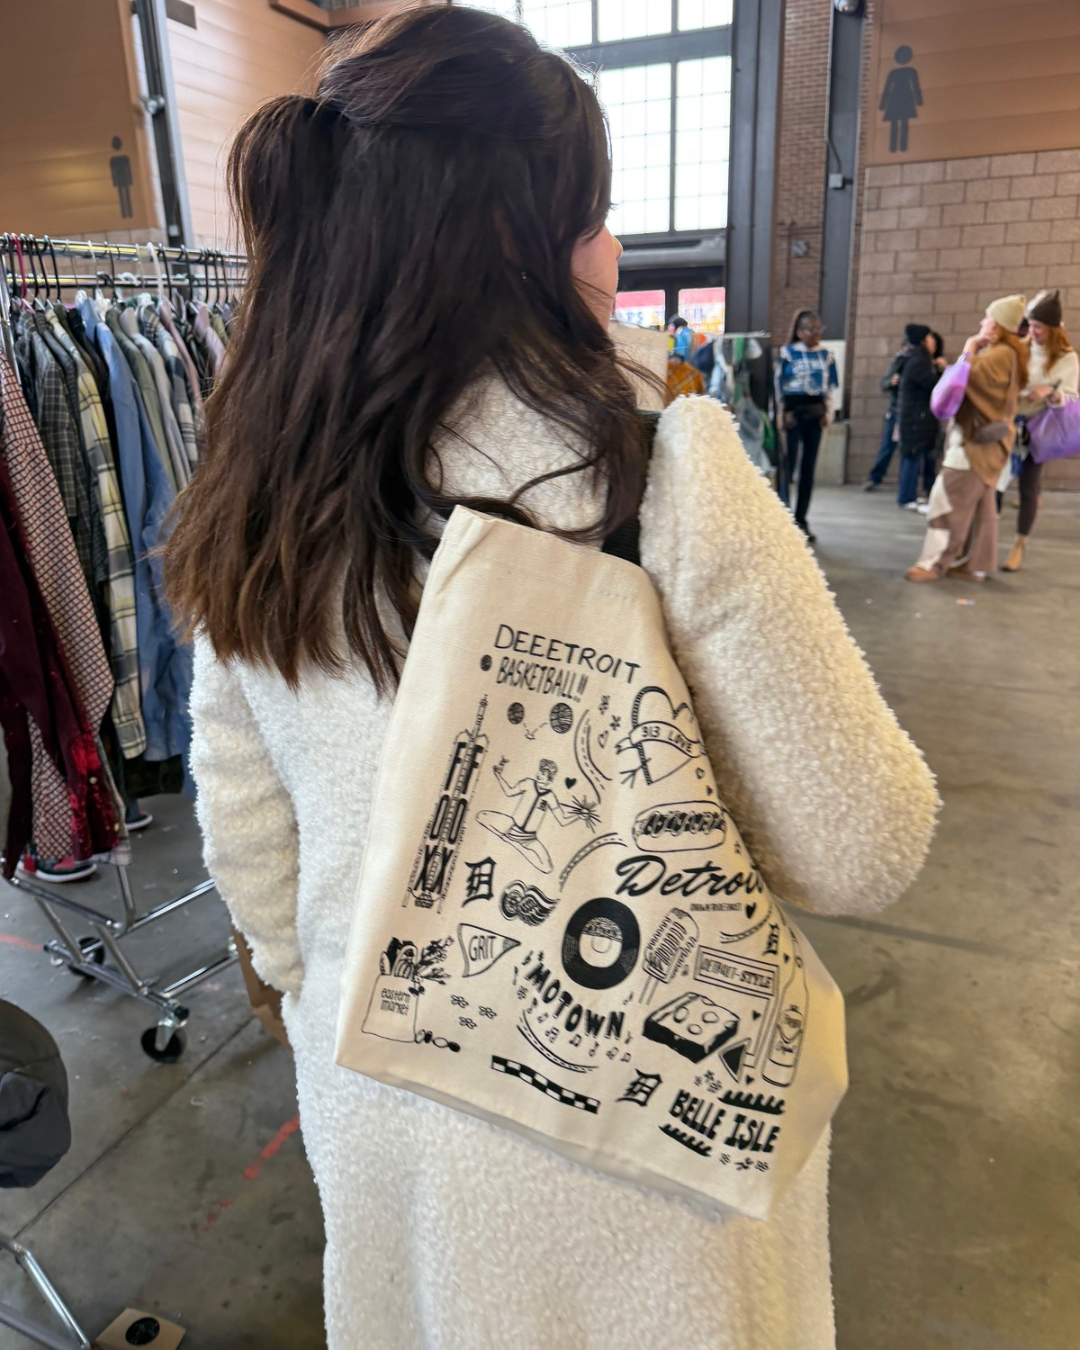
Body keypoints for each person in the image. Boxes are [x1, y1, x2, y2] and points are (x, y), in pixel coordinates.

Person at [165, 10, 937, 1347]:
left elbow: (245, 829)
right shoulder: (660, 473)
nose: (615, 251)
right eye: (598, 218)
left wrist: (328, 981)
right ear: (522, 240)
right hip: (645, 1153)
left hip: (382, 1102)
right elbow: (865, 843)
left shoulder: (256, 496)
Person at [907, 295, 1028, 583]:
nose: (982, 322)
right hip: (991, 447)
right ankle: (975, 565)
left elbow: (962, 382)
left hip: (973, 447)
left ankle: (933, 564)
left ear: (996, 327)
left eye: (987, 318)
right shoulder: (1011, 354)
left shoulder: (999, 355)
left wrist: (969, 349)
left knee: (946, 501)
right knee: (983, 510)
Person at [1001, 290, 1079, 571]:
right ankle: (982, 540)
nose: (1032, 332)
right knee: (994, 484)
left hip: (1036, 429)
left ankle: (1019, 545)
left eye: (1039, 327)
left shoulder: (1066, 358)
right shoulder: (1020, 348)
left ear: (1054, 329)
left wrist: (1050, 393)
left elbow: (1071, 397)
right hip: (1008, 422)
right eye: (1030, 326)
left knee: (1028, 488)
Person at [775, 310, 838, 542]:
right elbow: (778, 386)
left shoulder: (827, 356)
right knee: (788, 466)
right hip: (793, 414)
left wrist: (828, 414)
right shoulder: (787, 353)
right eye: (811, 329)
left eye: (819, 328)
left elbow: (830, 388)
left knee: (808, 469)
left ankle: (802, 520)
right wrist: (780, 415)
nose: (816, 333)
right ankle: (783, 519)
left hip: (815, 414)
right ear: (800, 331)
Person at [895, 323, 941, 509]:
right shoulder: (918, 361)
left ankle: (910, 496)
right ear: (923, 340)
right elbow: (933, 385)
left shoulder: (917, 359)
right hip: (915, 418)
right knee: (912, 456)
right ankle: (907, 498)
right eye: (930, 337)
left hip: (916, 417)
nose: (933, 341)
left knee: (914, 455)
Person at [863, 334, 910, 490]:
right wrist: (891, 382)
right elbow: (883, 383)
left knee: (909, 451)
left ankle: (907, 484)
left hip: (912, 413)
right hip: (896, 411)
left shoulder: (922, 362)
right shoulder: (898, 361)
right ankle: (875, 477)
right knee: (887, 446)